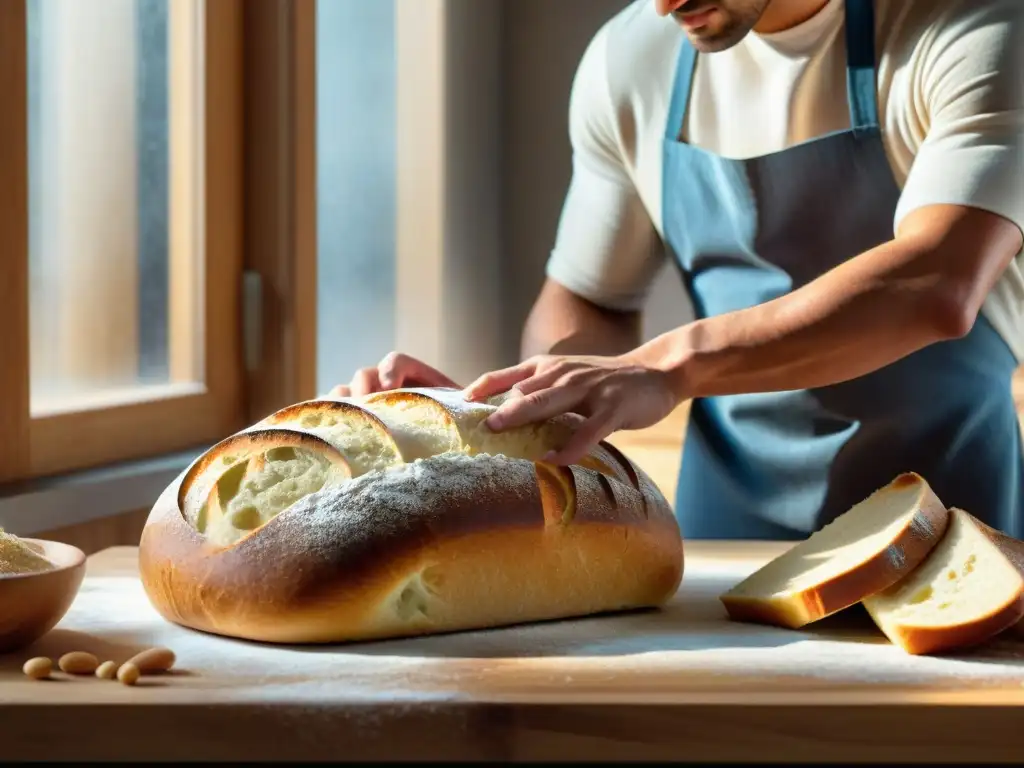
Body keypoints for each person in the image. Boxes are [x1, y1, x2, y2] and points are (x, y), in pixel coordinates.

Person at [331, 0, 1024, 540]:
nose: (665, 6)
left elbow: (936, 282)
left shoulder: (971, 29)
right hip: (723, 544)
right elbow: (589, 303)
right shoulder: (634, 60)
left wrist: (666, 366)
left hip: (953, 534)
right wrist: (510, 410)